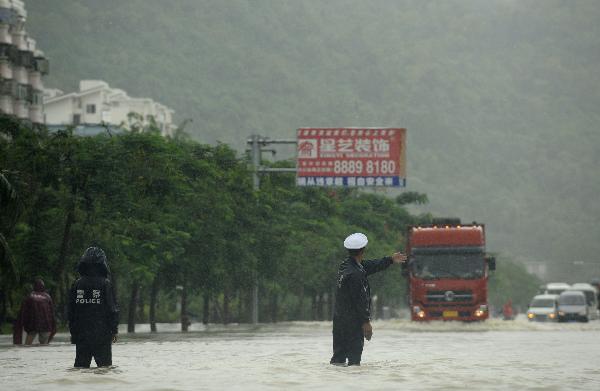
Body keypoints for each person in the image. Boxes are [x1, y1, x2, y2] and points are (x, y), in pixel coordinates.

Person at [330, 232, 407, 366]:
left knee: (338, 358)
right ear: (363, 250)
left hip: (339, 320)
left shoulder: (345, 266)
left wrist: (389, 259)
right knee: (354, 361)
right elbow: (360, 300)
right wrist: (366, 322)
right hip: (353, 323)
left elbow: (370, 265)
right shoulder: (356, 274)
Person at [68, 246, 119, 368]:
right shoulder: (105, 284)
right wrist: (114, 330)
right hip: (102, 335)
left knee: (80, 369)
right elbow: (112, 310)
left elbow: (71, 311)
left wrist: (73, 332)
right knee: (105, 369)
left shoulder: (77, 284)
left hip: (82, 334)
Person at [13, 279, 56, 345]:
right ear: (43, 287)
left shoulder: (29, 297)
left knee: (27, 345)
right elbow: (52, 313)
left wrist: (21, 325)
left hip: (32, 324)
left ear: (34, 287)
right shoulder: (48, 297)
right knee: (44, 346)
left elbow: (23, 312)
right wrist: (53, 326)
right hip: (46, 325)